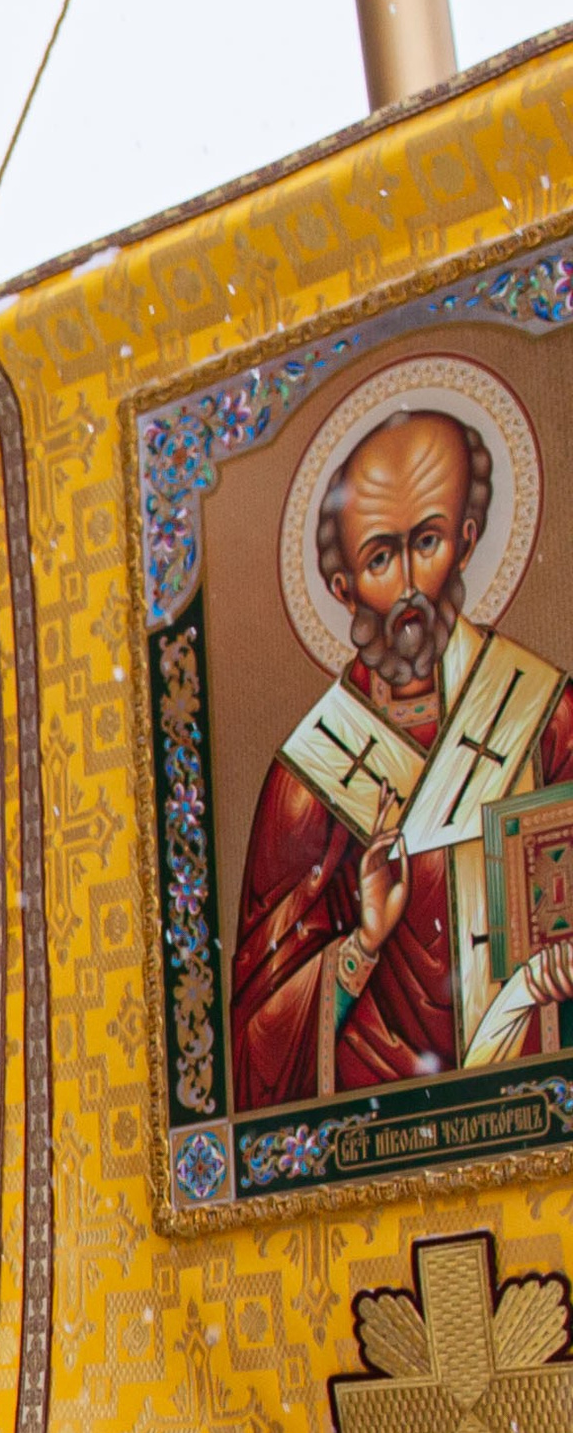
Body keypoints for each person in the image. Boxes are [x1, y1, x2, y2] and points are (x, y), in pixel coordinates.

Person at [230, 400, 573, 1110]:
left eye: (430, 541)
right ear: (342, 585)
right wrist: (363, 941)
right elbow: (255, 1046)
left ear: (469, 541)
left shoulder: (545, 716)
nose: (411, 585)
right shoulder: (309, 778)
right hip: (377, 1129)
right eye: (381, 557)